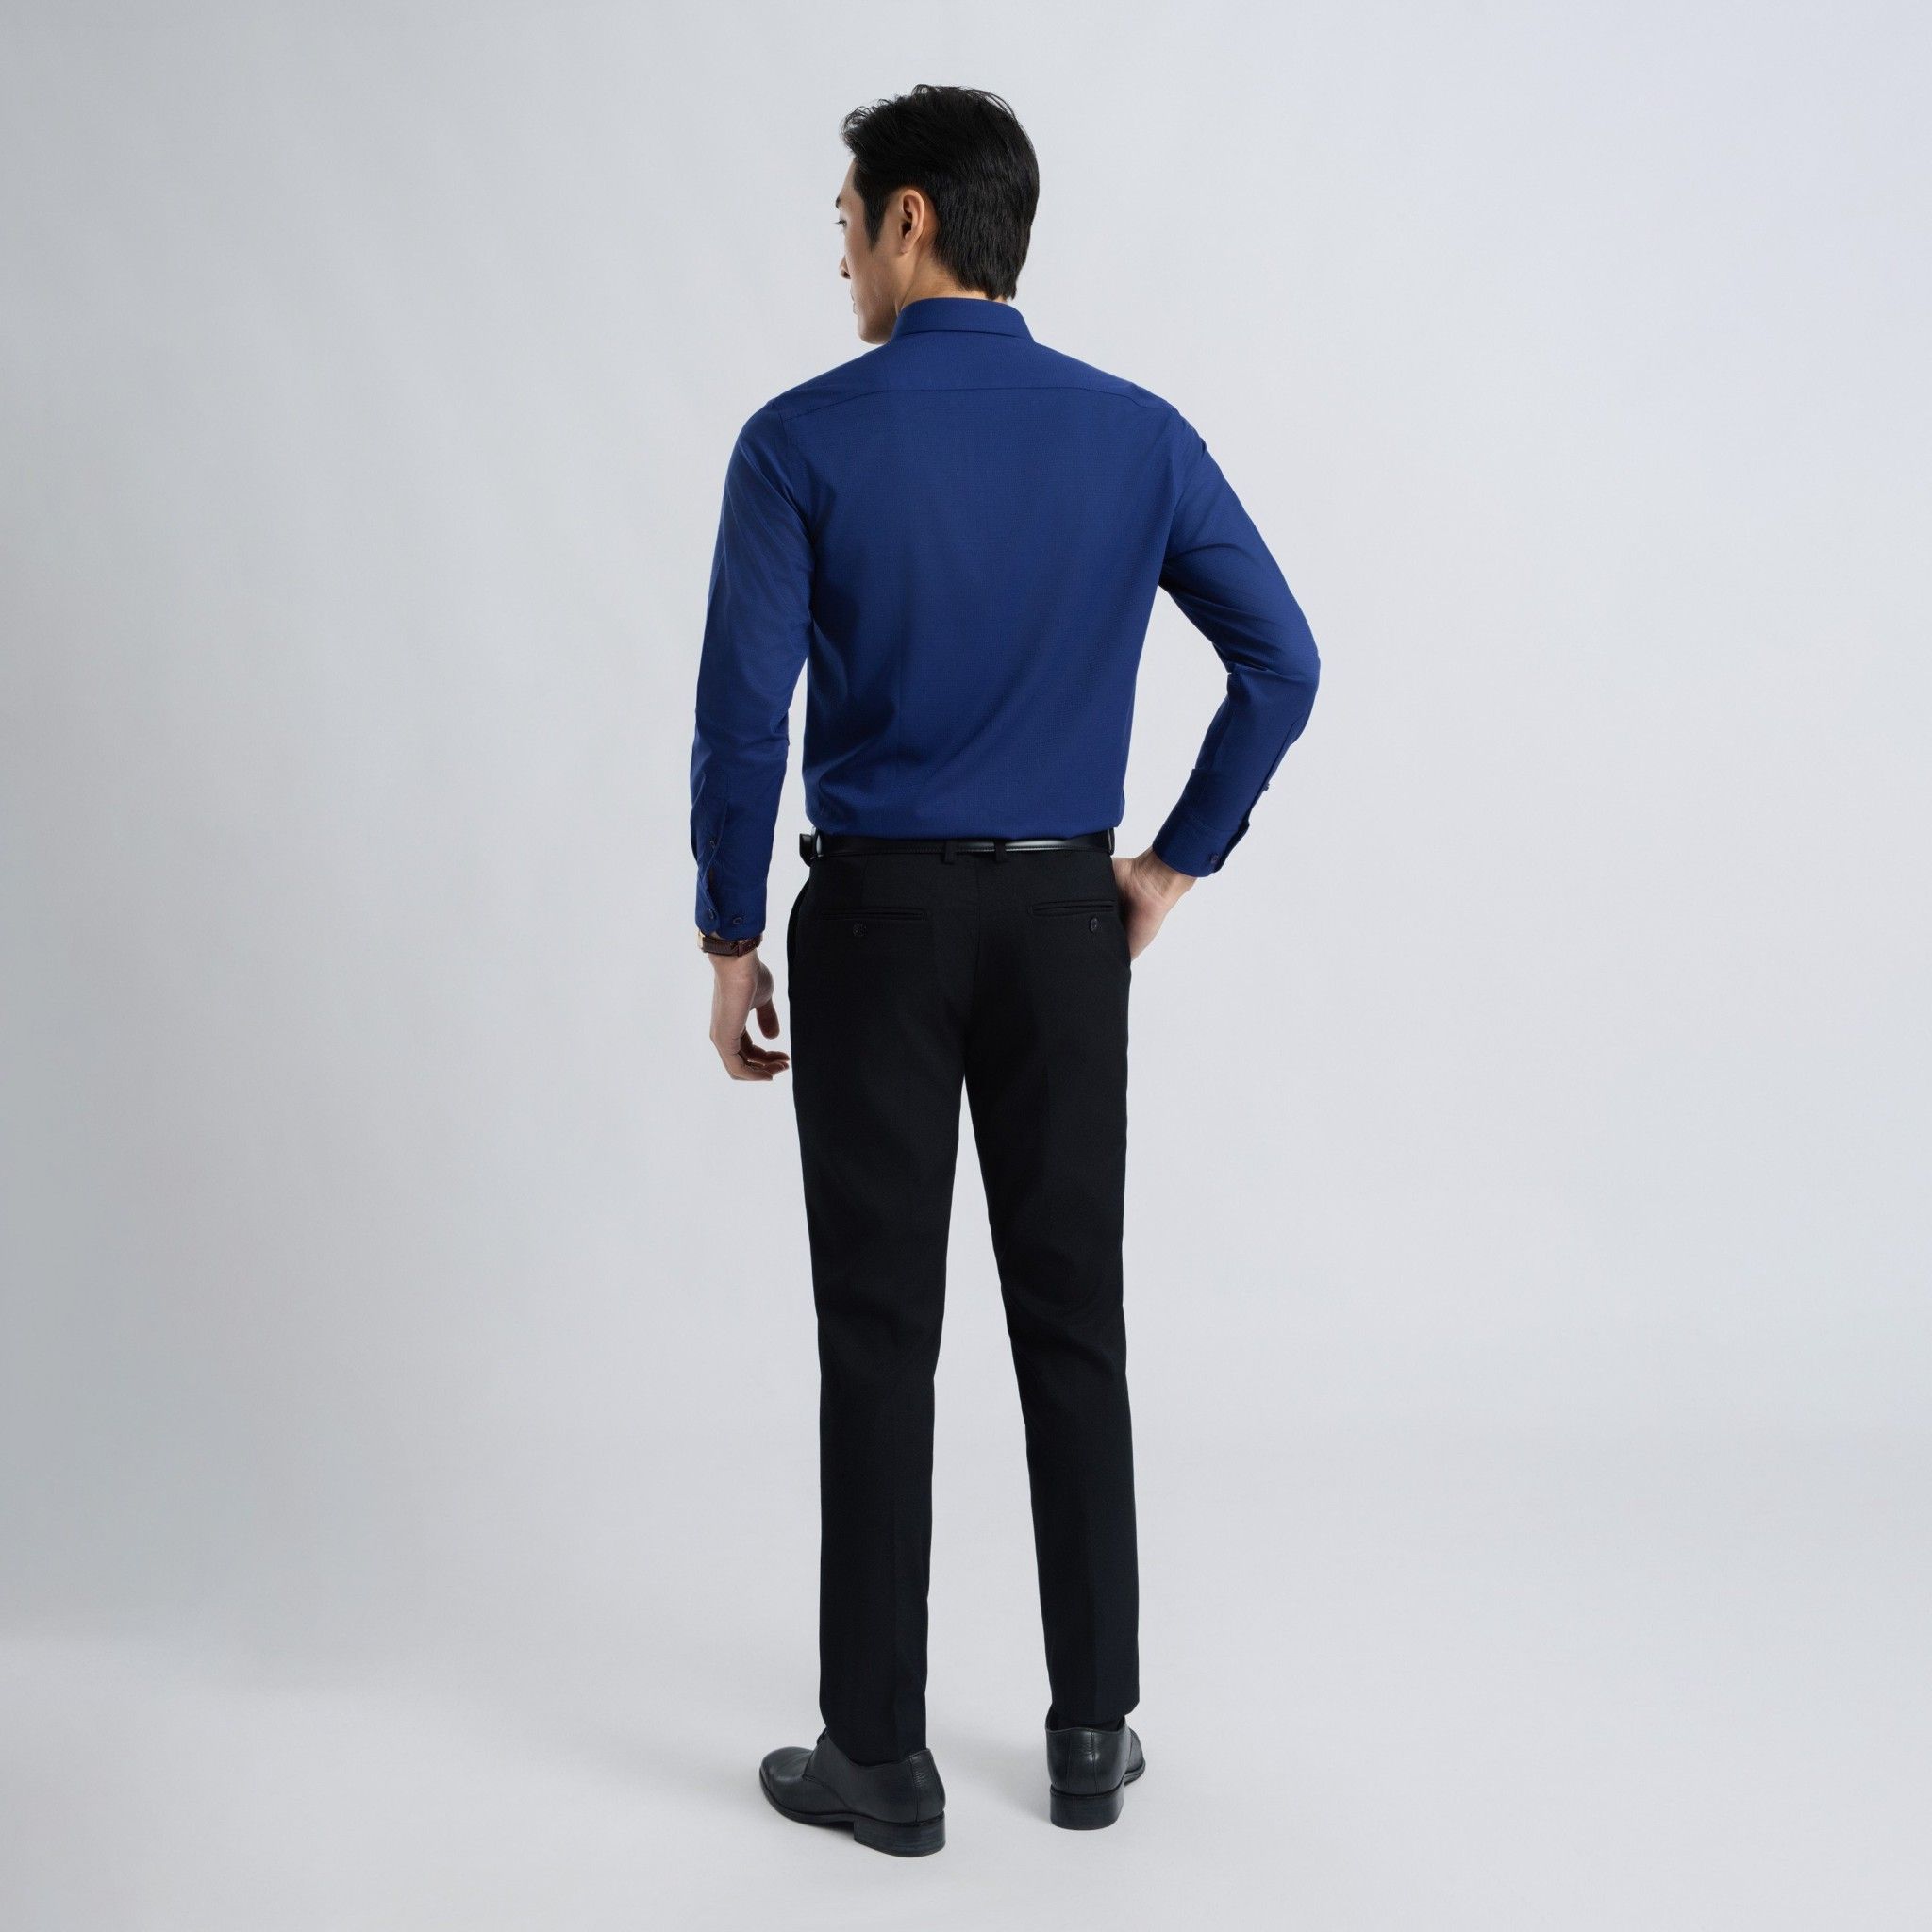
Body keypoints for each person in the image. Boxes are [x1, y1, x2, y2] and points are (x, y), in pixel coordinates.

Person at [689, 84, 1321, 1856]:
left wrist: (730, 935)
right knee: (1073, 1316)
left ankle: (879, 1759)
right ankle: (1093, 1730)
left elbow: (744, 719)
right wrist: (1168, 867)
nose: (838, 257)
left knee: (879, 1332)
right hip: (1061, 927)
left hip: (875, 924)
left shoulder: (799, 442)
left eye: (845, 223)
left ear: (911, 220)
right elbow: (1282, 662)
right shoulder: (1135, 436)